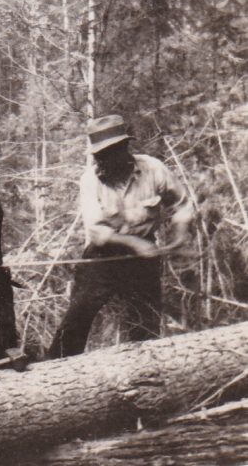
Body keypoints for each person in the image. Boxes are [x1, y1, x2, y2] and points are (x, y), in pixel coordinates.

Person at [47, 114, 194, 359]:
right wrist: (134, 243)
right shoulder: (90, 180)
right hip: (102, 257)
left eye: (107, 153)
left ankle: (144, 371)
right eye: (98, 155)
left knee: (145, 321)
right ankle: (52, 370)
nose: (101, 160)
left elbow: (181, 204)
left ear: (124, 149)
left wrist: (179, 235)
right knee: (79, 315)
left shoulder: (152, 169)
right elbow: (97, 232)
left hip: (143, 258)